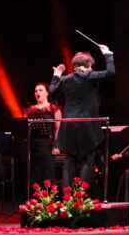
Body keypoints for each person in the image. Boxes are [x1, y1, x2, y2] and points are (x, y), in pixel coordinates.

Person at [48, 44, 115, 189]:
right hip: (87, 125)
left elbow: (51, 93)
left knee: (69, 160)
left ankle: (67, 197)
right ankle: (81, 196)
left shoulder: (65, 79)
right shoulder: (91, 76)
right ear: (89, 64)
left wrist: (56, 75)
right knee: (87, 159)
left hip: (69, 125)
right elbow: (110, 72)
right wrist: (108, 54)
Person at [25, 83, 62, 189]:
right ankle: (35, 199)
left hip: (47, 146)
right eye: (36, 91)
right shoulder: (30, 110)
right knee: (34, 176)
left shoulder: (53, 108)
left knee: (48, 174)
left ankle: (50, 199)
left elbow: (58, 128)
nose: (38, 92)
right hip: (33, 145)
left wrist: (56, 145)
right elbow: (24, 126)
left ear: (47, 93)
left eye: (40, 90)